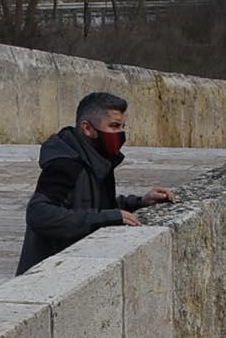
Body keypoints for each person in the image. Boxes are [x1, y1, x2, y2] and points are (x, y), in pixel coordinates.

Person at [16, 91, 176, 274]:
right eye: (114, 126)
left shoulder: (97, 158)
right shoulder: (65, 164)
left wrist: (140, 202)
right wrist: (108, 218)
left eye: (122, 127)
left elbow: (94, 205)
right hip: (48, 273)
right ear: (87, 128)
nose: (120, 133)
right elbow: (39, 214)